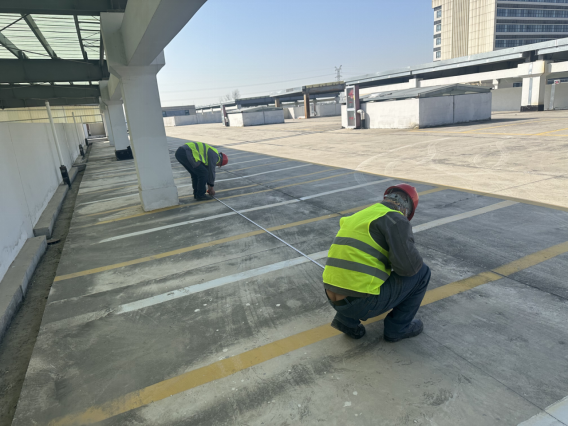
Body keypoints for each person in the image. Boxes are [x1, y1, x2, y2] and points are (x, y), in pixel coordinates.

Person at [322, 183, 431, 342]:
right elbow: (409, 268)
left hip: (332, 296)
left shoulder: (361, 215)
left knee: (364, 271)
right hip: (360, 303)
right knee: (422, 273)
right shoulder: (395, 219)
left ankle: (346, 321)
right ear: (407, 208)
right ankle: (397, 329)